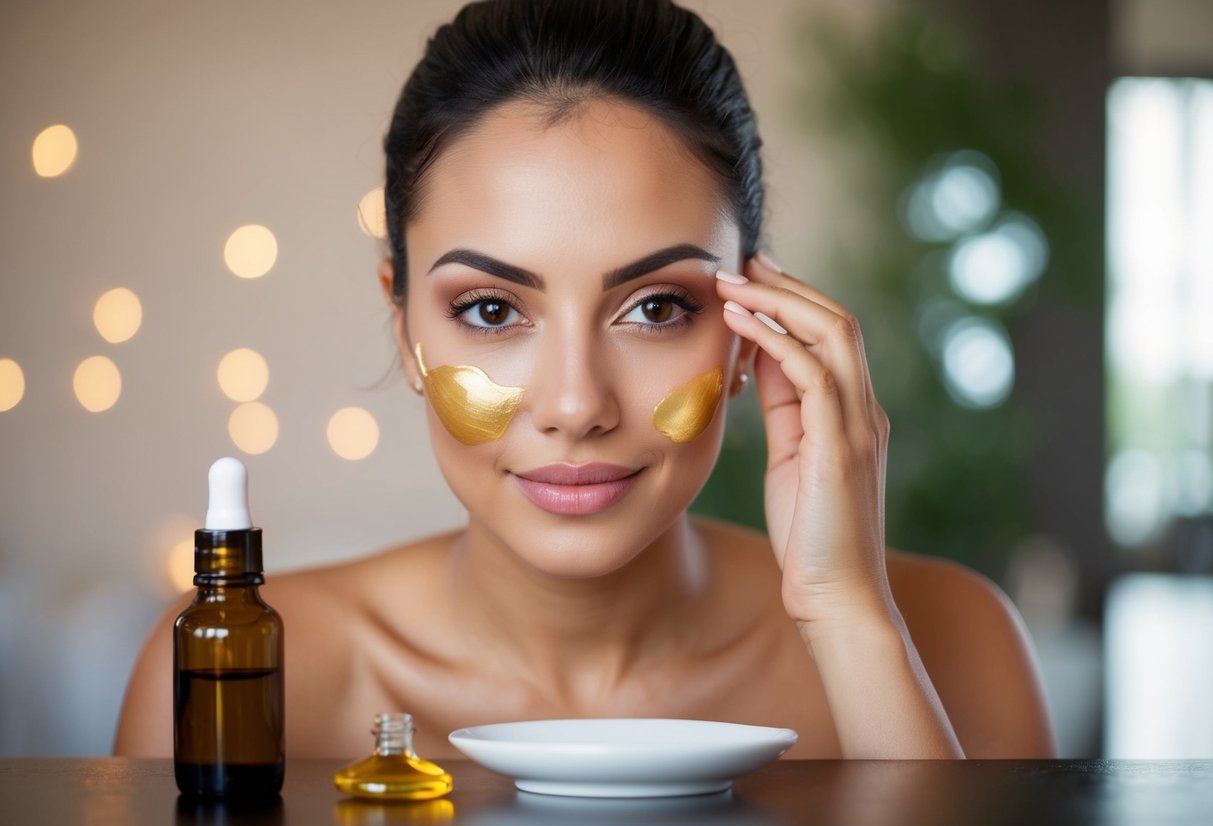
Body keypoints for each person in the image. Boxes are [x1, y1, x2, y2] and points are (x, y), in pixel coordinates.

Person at [115, 0, 1055, 760]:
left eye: (655, 307)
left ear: (747, 329)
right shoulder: (232, 674)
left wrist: (848, 618)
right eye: (490, 310)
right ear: (403, 324)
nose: (574, 406)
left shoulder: (957, 641)